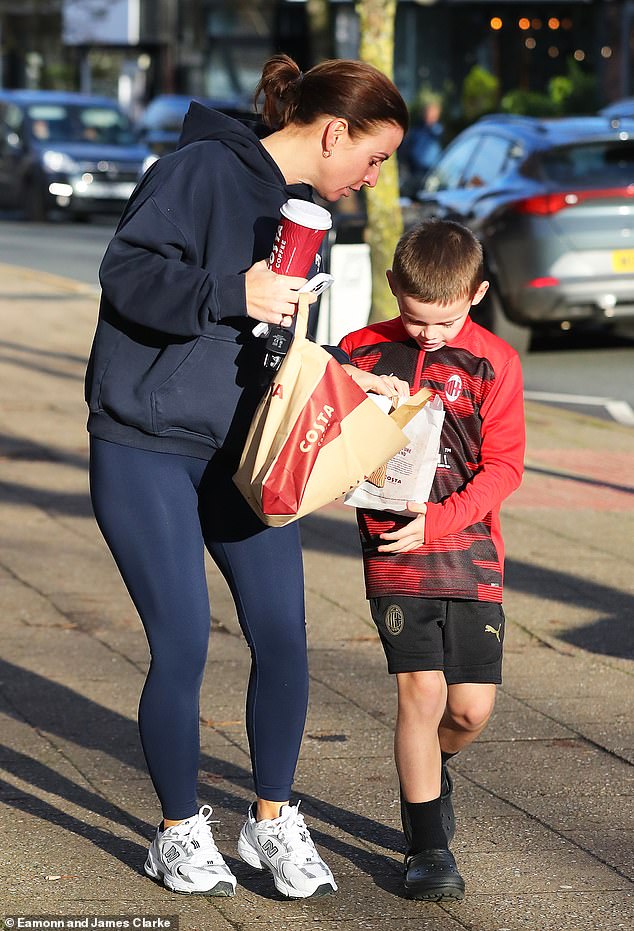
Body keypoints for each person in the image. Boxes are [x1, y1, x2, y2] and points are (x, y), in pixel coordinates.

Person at [84, 53, 409, 899]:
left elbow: (274, 339)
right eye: (372, 158)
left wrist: (347, 375)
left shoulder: (305, 212)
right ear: (333, 132)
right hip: (146, 439)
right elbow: (126, 273)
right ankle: (178, 830)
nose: (374, 178)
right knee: (184, 638)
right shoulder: (200, 169)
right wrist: (234, 289)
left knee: (285, 634)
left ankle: (270, 821)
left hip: (249, 452)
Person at [339, 219, 525, 901]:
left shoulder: (497, 361)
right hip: (392, 546)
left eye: (443, 322)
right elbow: (326, 438)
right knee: (421, 690)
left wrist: (439, 521)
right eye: (416, 319)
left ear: (475, 295)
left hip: (469, 545)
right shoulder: (361, 350)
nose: (426, 336)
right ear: (394, 289)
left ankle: (432, 768)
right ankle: (427, 846)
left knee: (470, 708)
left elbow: (505, 468)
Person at [400, 98, 443, 198]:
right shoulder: (416, 130)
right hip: (415, 172)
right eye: (427, 113)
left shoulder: (438, 131)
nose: (429, 116)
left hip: (431, 172)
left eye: (432, 114)